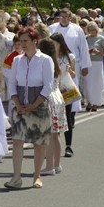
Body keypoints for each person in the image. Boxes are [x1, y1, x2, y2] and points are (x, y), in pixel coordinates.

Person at [6, 28, 55, 190]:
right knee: (17, 140)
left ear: (35, 41)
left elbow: (48, 86)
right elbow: (12, 83)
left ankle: (37, 176)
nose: (22, 44)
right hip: (20, 105)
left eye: (26, 41)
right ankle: (16, 177)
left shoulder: (45, 60)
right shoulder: (17, 61)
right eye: (21, 41)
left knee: (39, 142)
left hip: (38, 105)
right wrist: (18, 104)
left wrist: (33, 105)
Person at [38, 38, 68, 176]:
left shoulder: (45, 63)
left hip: (50, 98)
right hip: (58, 98)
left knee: (50, 135)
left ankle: (49, 165)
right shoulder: (56, 64)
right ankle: (57, 164)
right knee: (56, 135)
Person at [83, 22, 104, 111]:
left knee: (97, 83)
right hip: (88, 62)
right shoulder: (86, 38)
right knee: (88, 83)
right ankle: (89, 101)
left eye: (93, 30)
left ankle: (96, 103)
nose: (92, 32)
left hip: (97, 62)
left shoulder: (101, 38)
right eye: (90, 30)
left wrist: (98, 52)